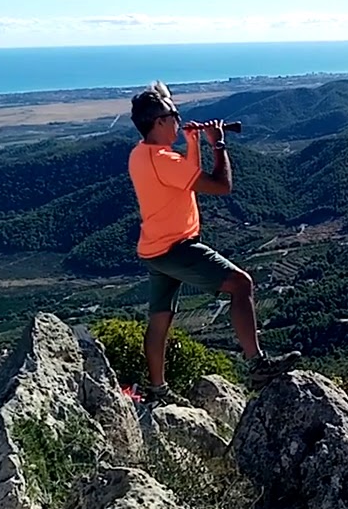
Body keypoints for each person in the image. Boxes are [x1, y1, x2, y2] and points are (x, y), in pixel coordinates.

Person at [126, 80, 300, 404]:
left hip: (154, 249)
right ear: (159, 123)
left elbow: (185, 179)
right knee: (241, 284)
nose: (179, 120)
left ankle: (157, 389)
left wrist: (193, 144)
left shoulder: (141, 155)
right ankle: (257, 365)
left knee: (160, 318)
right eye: (173, 115)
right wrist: (218, 145)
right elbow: (221, 186)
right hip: (177, 247)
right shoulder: (165, 161)